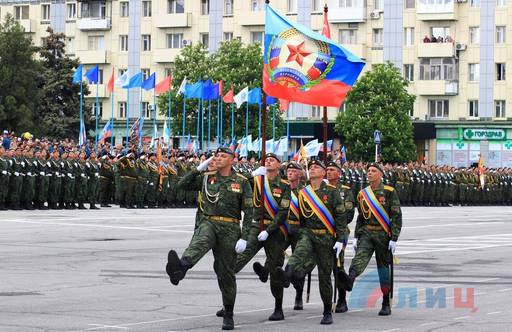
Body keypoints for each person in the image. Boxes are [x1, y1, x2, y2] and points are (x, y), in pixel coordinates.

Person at [166, 147, 253, 330]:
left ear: (232, 160)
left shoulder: (242, 181)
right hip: (209, 221)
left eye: (223, 156)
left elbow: (249, 212)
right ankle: (181, 266)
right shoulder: (207, 177)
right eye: (217, 156)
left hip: (230, 228)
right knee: (201, 240)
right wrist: (198, 168)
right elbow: (181, 184)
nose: (219, 158)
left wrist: (245, 237)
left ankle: (228, 313)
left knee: (226, 273)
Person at [278, 160, 347, 325]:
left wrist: (340, 239)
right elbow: (301, 217)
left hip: (326, 237)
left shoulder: (332, 192)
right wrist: (302, 232)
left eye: (316, 167)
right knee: (298, 253)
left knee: (324, 276)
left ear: (323, 173)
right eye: (311, 167)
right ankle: (287, 274)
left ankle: (326, 311)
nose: (313, 169)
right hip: (308, 233)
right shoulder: (304, 192)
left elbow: (341, 218)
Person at [339, 163, 402, 316]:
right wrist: (356, 236)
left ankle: (386, 301)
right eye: (368, 171)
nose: (370, 173)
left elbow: (396, 216)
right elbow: (361, 217)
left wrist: (394, 238)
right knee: (359, 259)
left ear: (381, 174)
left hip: (383, 234)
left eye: (373, 171)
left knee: (383, 268)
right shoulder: (362, 194)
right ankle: (350, 280)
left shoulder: (389, 191)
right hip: (367, 233)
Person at [234, 153, 291, 321]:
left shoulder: (285, 185)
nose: (268, 161)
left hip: (275, 230)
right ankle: (226, 305)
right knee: (236, 261)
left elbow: (282, 212)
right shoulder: (257, 180)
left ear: (279, 165)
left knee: (275, 269)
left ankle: (278, 308)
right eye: (266, 159)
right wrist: (252, 174)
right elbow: (236, 182)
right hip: (256, 225)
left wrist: (269, 230)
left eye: (272, 160)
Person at [325, 161, 355, 313]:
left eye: (332, 170)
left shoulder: (346, 191)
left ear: (339, 173)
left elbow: (348, 214)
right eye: (327, 170)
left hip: (339, 232)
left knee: (338, 265)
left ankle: (342, 299)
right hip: (322, 232)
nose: (328, 172)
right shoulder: (321, 189)